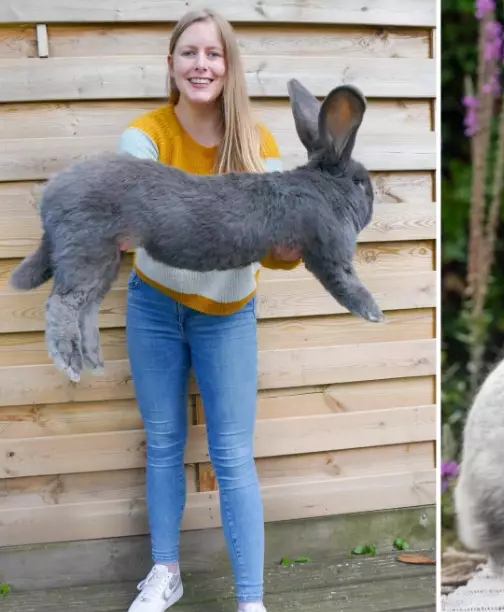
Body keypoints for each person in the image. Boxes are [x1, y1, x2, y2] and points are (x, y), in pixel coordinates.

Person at [117, 9, 301, 612]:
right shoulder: (145, 135)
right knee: (164, 441)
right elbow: (137, 222)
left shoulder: (257, 142)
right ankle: (165, 573)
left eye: (214, 54)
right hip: (153, 306)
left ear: (229, 67)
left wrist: (289, 243)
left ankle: (251, 601)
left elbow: (275, 254)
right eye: (189, 53)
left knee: (231, 455)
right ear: (170, 65)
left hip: (227, 311)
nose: (201, 64)